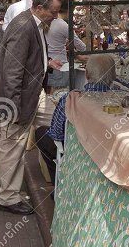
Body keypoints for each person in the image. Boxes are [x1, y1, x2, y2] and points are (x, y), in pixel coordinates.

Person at [0, 0, 62, 215]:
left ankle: (53, 176)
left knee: (57, 124)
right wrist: (14, 109)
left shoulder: (34, 23)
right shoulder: (23, 26)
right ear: (39, 8)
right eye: (53, 11)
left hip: (32, 95)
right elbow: (12, 73)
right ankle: (9, 198)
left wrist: (45, 63)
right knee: (13, 145)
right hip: (18, 100)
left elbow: (24, 61)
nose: (56, 16)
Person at [36, 55, 116, 184]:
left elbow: (56, 134)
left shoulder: (70, 100)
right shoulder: (119, 101)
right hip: (107, 152)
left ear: (86, 74)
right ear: (114, 75)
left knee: (41, 133)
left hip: (76, 153)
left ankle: (58, 183)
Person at [45, 0, 88, 90]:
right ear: (71, 7)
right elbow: (82, 47)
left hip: (49, 67)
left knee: (50, 99)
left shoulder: (47, 21)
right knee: (61, 98)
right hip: (60, 68)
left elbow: (54, 43)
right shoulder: (63, 25)